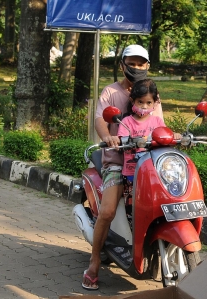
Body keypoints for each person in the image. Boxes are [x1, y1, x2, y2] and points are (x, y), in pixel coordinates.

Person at [82, 44, 163, 290]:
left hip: (147, 162)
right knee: (107, 211)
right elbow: (99, 119)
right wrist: (108, 136)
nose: (136, 67)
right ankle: (94, 262)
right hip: (117, 162)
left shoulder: (151, 94)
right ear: (122, 65)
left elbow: (160, 125)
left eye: (141, 63)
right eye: (132, 63)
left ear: (147, 66)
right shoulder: (110, 92)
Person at [117, 79, 167, 182]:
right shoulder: (126, 122)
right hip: (133, 171)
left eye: (149, 103)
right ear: (132, 101)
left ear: (155, 103)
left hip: (155, 168)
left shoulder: (157, 121)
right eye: (140, 102)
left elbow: (165, 135)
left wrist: (174, 135)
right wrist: (118, 140)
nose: (144, 106)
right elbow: (121, 140)